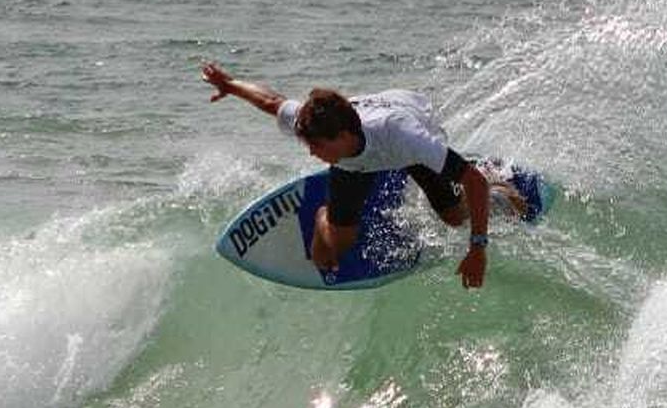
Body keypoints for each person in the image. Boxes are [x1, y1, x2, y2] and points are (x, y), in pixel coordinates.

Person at [202, 61, 503, 289]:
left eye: (317, 146)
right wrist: (230, 84)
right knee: (333, 249)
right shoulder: (317, 125)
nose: (311, 153)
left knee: (454, 217)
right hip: (355, 162)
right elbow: (272, 102)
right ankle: (326, 215)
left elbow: (471, 180)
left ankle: (499, 186)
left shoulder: (405, 137)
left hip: (407, 123)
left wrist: (477, 247)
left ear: (344, 135)